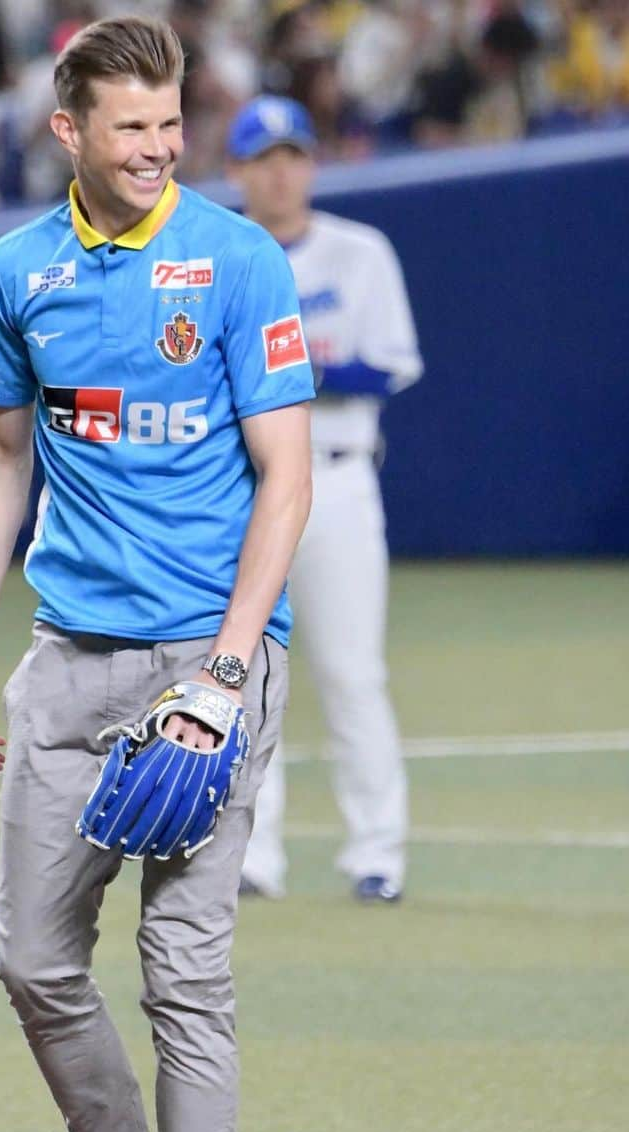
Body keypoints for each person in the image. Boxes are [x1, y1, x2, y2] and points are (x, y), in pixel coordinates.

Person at [0, 17, 314, 1132]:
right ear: (69, 132)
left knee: (183, 967)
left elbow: (289, 474)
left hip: (205, 665)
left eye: (170, 126)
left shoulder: (235, 258)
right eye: (132, 129)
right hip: (66, 664)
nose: (158, 150)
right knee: (35, 960)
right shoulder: (19, 271)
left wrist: (224, 674)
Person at [228, 94, 422, 905]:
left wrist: (299, 371)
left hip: (338, 475)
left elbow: (391, 364)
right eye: (266, 157)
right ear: (238, 170)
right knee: (239, 674)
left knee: (351, 673)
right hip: (242, 485)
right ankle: (249, 855)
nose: (282, 170)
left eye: (295, 154)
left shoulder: (359, 252)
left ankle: (377, 853)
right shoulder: (218, 255)